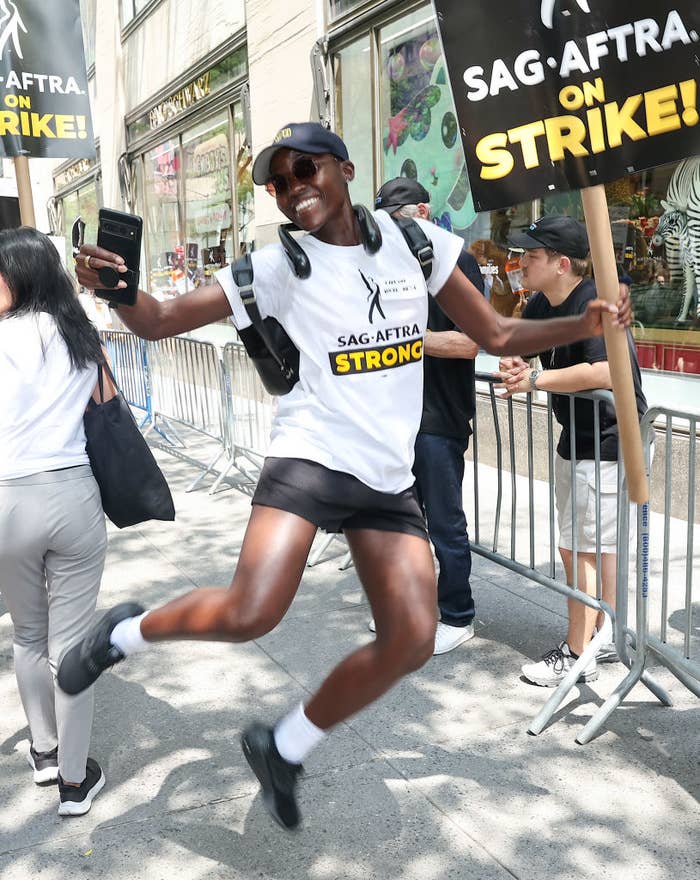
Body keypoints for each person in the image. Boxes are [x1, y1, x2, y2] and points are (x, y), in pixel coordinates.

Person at [58, 123, 630, 831]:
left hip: (386, 478)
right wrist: (119, 291)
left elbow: (499, 336)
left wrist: (595, 323)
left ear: (346, 168)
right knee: (252, 611)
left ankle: (285, 747)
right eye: (279, 182)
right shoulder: (274, 266)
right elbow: (159, 320)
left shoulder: (415, 245)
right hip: (311, 454)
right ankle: (124, 633)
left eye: (306, 170)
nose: (294, 188)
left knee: (413, 637)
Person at [496, 215, 647, 687]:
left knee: (580, 547)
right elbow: (525, 345)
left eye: (532, 256)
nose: (521, 264)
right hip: (579, 435)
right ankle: (609, 637)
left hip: (610, 440)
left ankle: (579, 650)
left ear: (562, 263)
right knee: (589, 548)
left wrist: (535, 378)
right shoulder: (543, 301)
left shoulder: (595, 303)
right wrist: (518, 360)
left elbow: (604, 373)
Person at [0, 227, 108, 815]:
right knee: (71, 643)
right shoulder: (79, 333)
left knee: (27, 635)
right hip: (72, 493)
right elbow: (107, 405)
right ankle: (73, 780)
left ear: (17, 275)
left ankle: (43, 753)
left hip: (7, 499)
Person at [373, 177, 483, 655]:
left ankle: (458, 616)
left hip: (438, 419)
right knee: (399, 524)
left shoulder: (458, 260)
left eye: (396, 221)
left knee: (444, 524)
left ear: (422, 210)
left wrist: (404, 339)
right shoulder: (380, 265)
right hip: (391, 418)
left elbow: (470, 342)